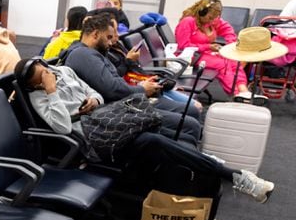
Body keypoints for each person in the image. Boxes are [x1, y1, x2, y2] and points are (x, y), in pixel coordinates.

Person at [17, 57, 276, 204]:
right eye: (42, 78)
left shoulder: (65, 70)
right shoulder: (41, 97)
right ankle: (234, 176)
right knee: (153, 140)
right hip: (99, 141)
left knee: (177, 133)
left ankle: (202, 187)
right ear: (34, 86)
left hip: (112, 119)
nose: (50, 76)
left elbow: (95, 93)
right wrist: (51, 92)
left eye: (47, 71)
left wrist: (94, 101)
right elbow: (62, 127)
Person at [64, 12, 202, 148]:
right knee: (190, 125)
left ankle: (188, 161)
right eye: (108, 37)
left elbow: (114, 83)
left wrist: (141, 86)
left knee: (189, 126)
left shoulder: (92, 53)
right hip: (118, 109)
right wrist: (142, 89)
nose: (111, 42)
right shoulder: (83, 55)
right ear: (95, 34)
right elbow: (113, 90)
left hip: (127, 101)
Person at [175, 0, 250, 98]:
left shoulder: (211, 21)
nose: (212, 21)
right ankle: (237, 95)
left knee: (233, 61)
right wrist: (207, 46)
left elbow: (227, 30)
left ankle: (243, 90)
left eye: (215, 18)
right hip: (191, 56)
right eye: (210, 18)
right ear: (202, 12)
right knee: (222, 64)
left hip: (205, 53)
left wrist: (230, 45)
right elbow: (183, 46)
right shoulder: (188, 22)